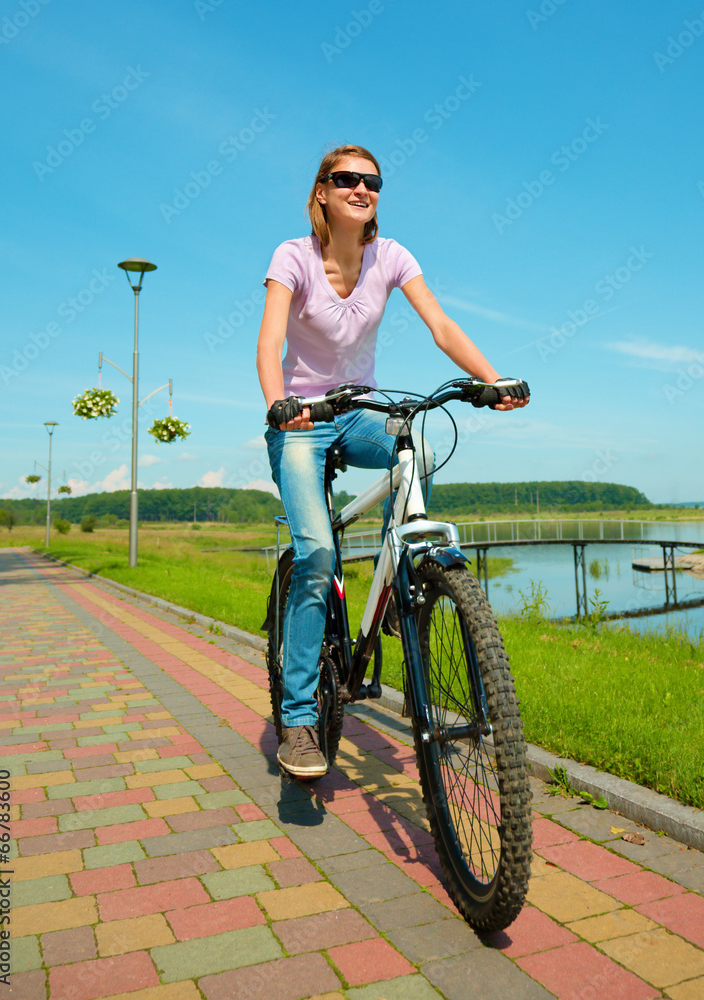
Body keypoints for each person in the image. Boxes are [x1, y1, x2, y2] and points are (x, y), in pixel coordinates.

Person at [256, 143, 529, 779]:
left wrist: (491, 381)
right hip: (301, 422)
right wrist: (279, 404)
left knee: (420, 446)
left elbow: (440, 324)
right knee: (318, 555)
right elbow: (270, 342)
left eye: (372, 181)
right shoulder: (292, 257)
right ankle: (297, 718)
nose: (362, 188)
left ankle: (396, 579)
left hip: (359, 412)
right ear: (321, 191)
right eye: (346, 179)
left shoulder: (392, 256)